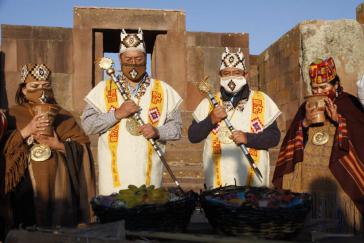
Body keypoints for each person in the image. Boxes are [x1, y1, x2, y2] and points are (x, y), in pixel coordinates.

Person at [81, 28, 183, 195]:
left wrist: (158, 131)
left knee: (148, 216)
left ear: (146, 59)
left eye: (139, 59)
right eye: (128, 59)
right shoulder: (103, 89)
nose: (133, 64)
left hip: (149, 174)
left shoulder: (163, 90)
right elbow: (88, 126)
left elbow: (177, 129)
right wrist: (117, 114)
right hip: (113, 177)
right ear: (120, 59)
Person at [273, 57, 364, 234]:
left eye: (324, 87)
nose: (319, 91)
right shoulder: (305, 106)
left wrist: (339, 120)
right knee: (310, 221)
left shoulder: (350, 104)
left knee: (340, 225)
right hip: (309, 176)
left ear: (336, 84)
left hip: (339, 175)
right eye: (315, 88)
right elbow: (293, 137)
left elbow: (360, 136)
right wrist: (305, 123)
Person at [1, 64, 96, 228]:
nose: (41, 91)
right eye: (34, 86)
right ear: (23, 90)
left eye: (46, 86)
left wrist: (58, 145)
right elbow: (4, 147)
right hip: (24, 187)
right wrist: (25, 131)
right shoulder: (12, 115)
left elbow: (82, 147)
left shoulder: (64, 116)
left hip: (60, 187)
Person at [188, 47, 281, 189]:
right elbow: (193, 135)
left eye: (236, 73)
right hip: (218, 179)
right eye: (226, 73)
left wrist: (248, 138)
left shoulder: (262, 100)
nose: (231, 78)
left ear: (246, 75)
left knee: (252, 210)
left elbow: (274, 137)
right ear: (220, 76)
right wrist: (211, 119)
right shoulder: (208, 103)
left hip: (252, 180)